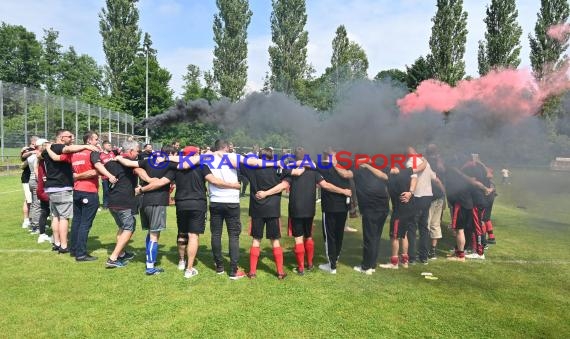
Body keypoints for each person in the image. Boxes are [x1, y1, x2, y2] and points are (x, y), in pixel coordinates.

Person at [206, 139, 279, 279]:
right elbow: (254, 162)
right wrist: (275, 163)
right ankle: (233, 270)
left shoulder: (207, 157)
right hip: (231, 201)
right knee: (233, 235)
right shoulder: (233, 157)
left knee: (216, 234)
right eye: (231, 146)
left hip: (215, 200)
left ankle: (219, 266)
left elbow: (185, 160)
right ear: (226, 147)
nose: (232, 148)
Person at [166, 145, 240, 279]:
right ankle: (189, 269)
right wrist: (233, 185)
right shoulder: (202, 165)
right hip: (197, 203)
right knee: (193, 235)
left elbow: (165, 181)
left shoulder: (176, 166)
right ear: (195, 154)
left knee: (182, 233)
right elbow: (214, 181)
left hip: (181, 203)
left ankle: (181, 261)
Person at [47, 131, 118, 261]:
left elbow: (57, 158)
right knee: (85, 223)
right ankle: (81, 254)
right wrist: (109, 175)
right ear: (89, 140)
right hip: (89, 192)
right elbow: (97, 166)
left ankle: (74, 250)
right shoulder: (92, 152)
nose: (97, 142)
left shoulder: (73, 153)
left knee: (77, 222)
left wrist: (47, 148)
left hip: (77, 191)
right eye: (96, 139)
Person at [280, 147, 352, 275]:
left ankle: (301, 268)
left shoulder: (290, 169)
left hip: (296, 208)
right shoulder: (315, 171)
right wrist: (344, 191)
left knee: (298, 237)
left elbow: (284, 184)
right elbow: (324, 184)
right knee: (308, 236)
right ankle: (310, 264)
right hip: (310, 208)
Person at [116, 145, 177, 275]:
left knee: (151, 233)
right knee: (155, 235)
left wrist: (118, 157)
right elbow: (159, 183)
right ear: (171, 154)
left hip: (144, 202)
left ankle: (149, 262)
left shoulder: (148, 160)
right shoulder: (170, 165)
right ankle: (150, 266)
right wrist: (142, 189)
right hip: (156, 202)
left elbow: (129, 163)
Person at [43, 129, 99, 254]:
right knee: (64, 217)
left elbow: (42, 156)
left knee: (55, 217)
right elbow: (67, 150)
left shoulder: (49, 149)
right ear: (61, 137)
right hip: (62, 186)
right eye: (70, 136)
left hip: (51, 187)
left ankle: (57, 243)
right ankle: (64, 245)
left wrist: (46, 148)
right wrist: (85, 146)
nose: (72, 138)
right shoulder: (59, 147)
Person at [242, 147, 293, 279]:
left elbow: (244, 160)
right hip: (272, 210)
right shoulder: (280, 168)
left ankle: (252, 272)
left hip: (257, 210)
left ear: (259, 157)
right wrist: (268, 193)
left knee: (256, 240)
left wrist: (264, 193)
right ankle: (280, 272)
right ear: (272, 157)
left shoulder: (252, 168)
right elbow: (284, 185)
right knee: (275, 241)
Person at [379, 158, 425, 269]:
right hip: (409, 209)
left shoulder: (389, 177)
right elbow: (420, 168)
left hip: (399, 210)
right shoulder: (406, 172)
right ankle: (405, 261)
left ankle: (394, 262)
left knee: (394, 236)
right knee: (404, 235)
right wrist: (424, 159)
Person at [104, 140, 141, 268]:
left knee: (122, 227)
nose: (138, 153)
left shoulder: (111, 163)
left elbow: (104, 170)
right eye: (137, 151)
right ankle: (113, 258)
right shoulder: (130, 164)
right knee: (129, 228)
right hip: (124, 201)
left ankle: (121, 253)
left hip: (113, 201)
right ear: (130, 151)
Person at [316, 148, 353, 274]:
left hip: (330, 207)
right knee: (338, 234)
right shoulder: (344, 165)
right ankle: (335, 259)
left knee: (330, 236)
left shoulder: (322, 166)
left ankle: (331, 266)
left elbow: (325, 185)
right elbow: (348, 174)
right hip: (343, 206)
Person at [352, 160, 390, 274]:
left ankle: (366, 267)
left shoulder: (359, 170)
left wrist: (367, 166)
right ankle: (372, 264)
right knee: (375, 238)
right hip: (383, 208)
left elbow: (385, 176)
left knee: (370, 238)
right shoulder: (381, 165)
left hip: (371, 209)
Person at [425, 144, 446, 260]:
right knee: (436, 224)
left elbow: (436, 180)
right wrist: (444, 194)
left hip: (431, 196)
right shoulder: (440, 162)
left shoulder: (428, 163)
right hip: (440, 197)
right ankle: (432, 251)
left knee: (426, 223)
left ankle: (425, 249)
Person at [20, 136, 38, 229]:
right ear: (34, 142)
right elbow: (23, 156)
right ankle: (26, 220)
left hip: (34, 179)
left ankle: (35, 220)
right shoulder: (27, 149)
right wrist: (32, 152)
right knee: (28, 200)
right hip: (27, 179)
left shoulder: (37, 150)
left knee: (35, 201)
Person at [99, 140, 116, 210]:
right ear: (104, 146)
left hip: (113, 176)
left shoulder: (112, 153)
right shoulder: (100, 155)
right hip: (105, 176)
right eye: (109, 145)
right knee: (106, 191)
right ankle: (105, 205)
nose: (110, 146)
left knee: (113, 190)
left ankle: (112, 204)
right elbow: (99, 165)